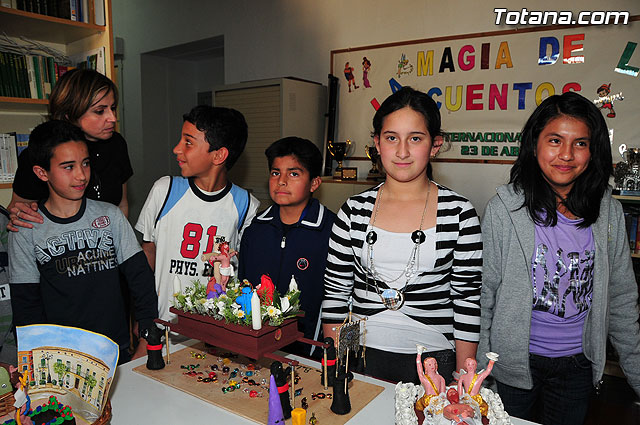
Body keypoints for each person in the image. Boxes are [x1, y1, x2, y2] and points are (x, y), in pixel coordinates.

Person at [478, 91, 640, 425]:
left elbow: (622, 301)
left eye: (580, 143)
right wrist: (481, 373)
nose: (566, 155)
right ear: (534, 142)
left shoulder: (609, 211)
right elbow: (484, 296)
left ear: (593, 150)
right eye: (555, 140)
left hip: (577, 368)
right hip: (510, 366)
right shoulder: (504, 209)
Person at [322, 86, 482, 384]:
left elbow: (467, 301)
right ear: (377, 143)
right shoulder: (353, 210)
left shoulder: (459, 212)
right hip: (359, 354)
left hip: (434, 361)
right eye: (391, 138)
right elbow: (336, 295)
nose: (402, 151)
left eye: (416, 139)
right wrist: (339, 364)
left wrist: (464, 377)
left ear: (435, 145)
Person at [8, 121, 158, 364]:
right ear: (41, 172)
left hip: (116, 352)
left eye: (85, 163)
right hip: (61, 362)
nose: (81, 175)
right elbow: (26, 307)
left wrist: (146, 338)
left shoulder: (110, 216)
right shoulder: (27, 229)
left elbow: (140, 280)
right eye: (68, 167)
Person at [136, 106, 259, 322]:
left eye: (188, 142)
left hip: (216, 329)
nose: (176, 149)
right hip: (165, 324)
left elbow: (242, 273)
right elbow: (148, 256)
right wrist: (142, 315)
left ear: (219, 155)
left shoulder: (246, 205)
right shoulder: (164, 191)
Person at [238, 136, 336, 356]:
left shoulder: (332, 231)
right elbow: (242, 286)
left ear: (314, 183)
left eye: (294, 174)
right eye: (275, 173)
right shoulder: (255, 231)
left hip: (310, 352)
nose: (281, 181)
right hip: (256, 348)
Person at [8, 69, 133, 229]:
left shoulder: (117, 145)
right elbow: (17, 209)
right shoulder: (39, 153)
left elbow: (121, 205)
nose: (113, 118)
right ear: (69, 114)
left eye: (113, 108)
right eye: (100, 111)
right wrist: (19, 214)